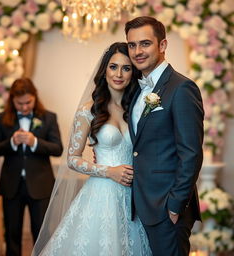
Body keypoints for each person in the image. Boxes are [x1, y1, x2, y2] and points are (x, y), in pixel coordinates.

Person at [31, 42, 152, 256]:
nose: (119, 74)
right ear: (104, 69)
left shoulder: (136, 108)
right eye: (113, 66)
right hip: (102, 194)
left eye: (126, 68)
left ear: (133, 72)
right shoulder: (89, 110)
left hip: (134, 196)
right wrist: (109, 171)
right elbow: (72, 158)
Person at [124, 16, 204, 256]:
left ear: (162, 45)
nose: (137, 51)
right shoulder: (137, 89)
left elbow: (191, 153)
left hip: (167, 207)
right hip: (142, 204)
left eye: (145, 43)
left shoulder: (181, 88)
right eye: (132, 45)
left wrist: (175, 205)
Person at [0, 78, 63, 256]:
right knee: (12, 233)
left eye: (28, 102)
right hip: (11, 185)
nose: (24, 108)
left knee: (41, 234)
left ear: (35, 97)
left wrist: (35, 142)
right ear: (12, 100)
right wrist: (12, 143)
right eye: (19, 103)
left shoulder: (49, 117)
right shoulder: (2, 118)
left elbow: (57, 149)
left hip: (40, 185)